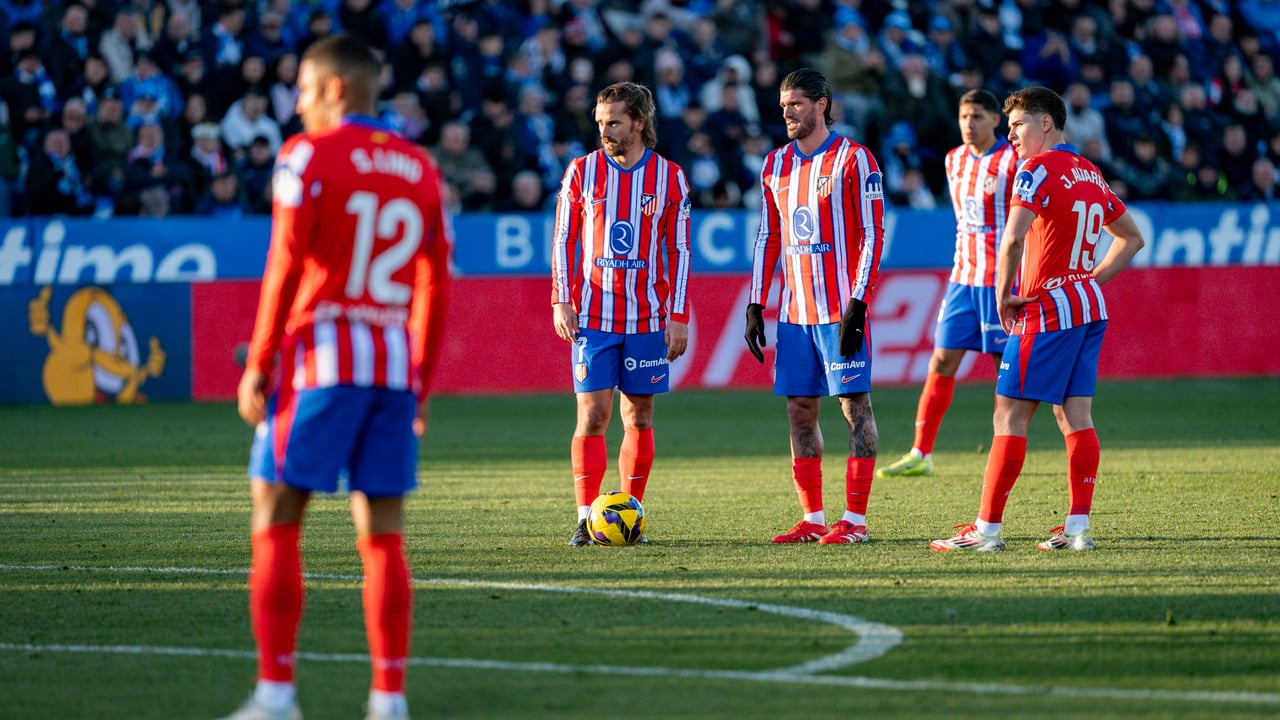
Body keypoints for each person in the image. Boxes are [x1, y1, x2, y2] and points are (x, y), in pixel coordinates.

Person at [224, 34, 452, 720]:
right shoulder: (418, 167)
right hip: (389, 369)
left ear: (337, 89)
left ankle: (276, 695)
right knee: (382, 533)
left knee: (275, 517)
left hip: (321, 365)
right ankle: (388, 701)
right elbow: (435, 286)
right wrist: (421, 384)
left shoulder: (305, 156)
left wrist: (259, 363)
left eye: (302, 89)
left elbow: (284, 264)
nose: (295, 105)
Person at [931, 86, 1145, 553]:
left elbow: (1011, 241)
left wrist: (1004, 296)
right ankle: (1076, 529)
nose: (1011, 136)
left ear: (1045, 122)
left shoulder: (1036, 169)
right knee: (1075, 417)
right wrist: (1088, 281)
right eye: (1007, 128)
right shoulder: (1090, 172)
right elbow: (1131, 238)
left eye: (1018, 125)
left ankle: (986, 532)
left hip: (1046, 309)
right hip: (1087, 307)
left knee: (1008, 415)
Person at [744, 67, 885, 545]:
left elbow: (872, 234)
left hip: (838, 310)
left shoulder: (855, 159)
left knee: (854, 408)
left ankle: (857, 522)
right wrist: (756, 303)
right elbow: (768, 237)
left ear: (821, 105)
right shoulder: (775, 165)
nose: (787, 112)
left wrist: (858, 304)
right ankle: (814, 519)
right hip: (796, 314)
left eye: (796, 104)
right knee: (800, 412)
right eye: (783, 105)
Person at [550, 81, 692, 547]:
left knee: (640, 418)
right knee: (593, 416)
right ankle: (584, 518)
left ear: (639, 123)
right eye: (600, 121)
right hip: (592, 316)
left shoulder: (670, 178)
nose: (604, 129)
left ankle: (631, 514)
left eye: (613, 121)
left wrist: (678, 314)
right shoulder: (581, 172)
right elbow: (563, 240)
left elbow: (681, 250)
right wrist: (561, 298)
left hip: (649, 319)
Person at [878, 89, 1019, 478]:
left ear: (995, 120)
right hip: (962, 279)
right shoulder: (953, 161)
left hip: (1001, 282)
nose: (968, 124)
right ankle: (920, 453)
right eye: (963, 117)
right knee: (941, 361)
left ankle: (1002, 450)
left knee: (1002, 367)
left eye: (976, 117)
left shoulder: (1013, 160)